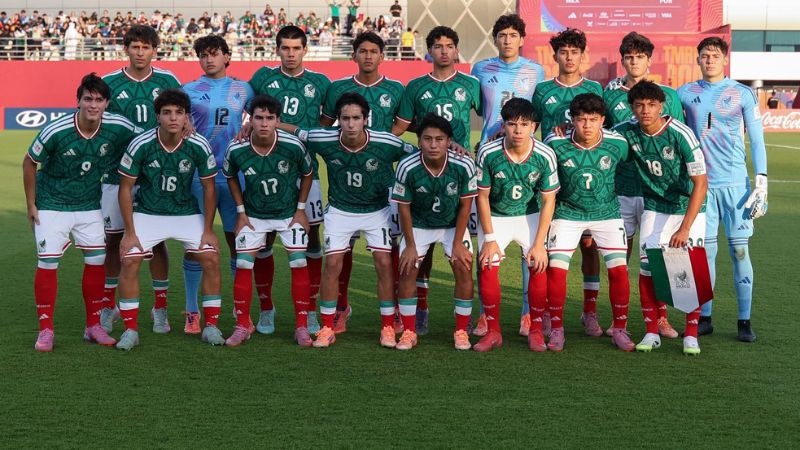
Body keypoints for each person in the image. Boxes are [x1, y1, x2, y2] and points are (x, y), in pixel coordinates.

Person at [284, 92, 416, 348]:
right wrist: (262, 125)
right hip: (340, 210)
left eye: (356, 118)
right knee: (332, 263)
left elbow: (420, 152)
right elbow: (298, 131)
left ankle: (388, 326)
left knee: (383, 264)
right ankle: (326, 326)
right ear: (339, 121)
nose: (351, 124)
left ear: (366, 119)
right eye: (345, 118)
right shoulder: (324, 138)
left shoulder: (387, 141)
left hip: (377, 210)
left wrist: (453, 147)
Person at [23, 73, 140, 352]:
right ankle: (46, 330)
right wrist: (31, 204)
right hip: (52, 204)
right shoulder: (57, 129)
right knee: (48, 263)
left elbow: (145, 141)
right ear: (78, 101)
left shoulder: (119, 126)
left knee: (97, 260)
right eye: (87, 99)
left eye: (99, 100)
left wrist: (185, 127)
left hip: (89, 205)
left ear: (106, 103)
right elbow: (30, 163)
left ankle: (93, 326)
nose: (93, 105)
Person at [115, 89, 223, 350]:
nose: (173, 118)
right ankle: (131, 330)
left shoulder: (198, 144)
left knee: (210, 257)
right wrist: (129, 232)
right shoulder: (141, 143)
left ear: (187, 117)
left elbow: (209, 188)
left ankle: (210, 326)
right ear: (158, 117)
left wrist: (208, 230)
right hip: (149, 212)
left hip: (185, 212)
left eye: (179, 112)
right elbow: (125, 188)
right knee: (130, 260)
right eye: (167, 113)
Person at [678, 37, 767, 342]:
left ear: (724, 59)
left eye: (715, 55)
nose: (710, 60)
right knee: (706, 255)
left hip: (736, 186)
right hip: (702, 187)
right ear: (698, 59)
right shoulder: (685, 94)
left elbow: (756, 139)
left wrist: (762, 180)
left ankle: (744, 320)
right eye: (704, 55)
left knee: (740, 250)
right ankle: (705, 317)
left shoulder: (742, 93)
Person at [393, 25, 481, 335]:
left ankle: (474, 316)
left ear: (457, 50)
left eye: (449, 45)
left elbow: (494, 116)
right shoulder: (415, 86)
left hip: (460, 171)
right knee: (423, 252)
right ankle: (422, 308)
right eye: (438, 46)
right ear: (429, 51)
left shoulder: (471, 84)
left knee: (468, 251)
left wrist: (480, 147)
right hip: (425, 166)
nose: (444, 51)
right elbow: (401, 126)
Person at [613, 80, 708, 355]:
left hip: (688, 207)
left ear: (661, 106)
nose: (645, 111)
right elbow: (599, 142)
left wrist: (685, 228)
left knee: (686, 269)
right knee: (648, 268)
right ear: (631, 107)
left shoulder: (681, 134)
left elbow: (701, 183)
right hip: (655, 206)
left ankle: (691, 335)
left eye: (652, 105)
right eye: (639, 105)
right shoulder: (627, 132)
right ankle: (652, 331)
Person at [248, 25, 331, 334]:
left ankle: (309, 310)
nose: (291, 53)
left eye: (297, 48)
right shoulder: (262, 78)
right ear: (278, 49)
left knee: (311, 237)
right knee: (264, 239)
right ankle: (266, 308)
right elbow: (251, 113)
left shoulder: (320, 82)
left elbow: (328, 120)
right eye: (285, 48)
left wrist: (302, 131)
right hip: (267, 171)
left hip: (306, 170)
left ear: (305, 50)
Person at [320, 32, 405, 334]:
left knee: (387, 255)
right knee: (340, 255)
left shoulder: (396, 88)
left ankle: (393, 314)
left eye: (374, 51)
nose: (368, 56)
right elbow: (321, 127)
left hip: (382, 185)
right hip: (345, 180)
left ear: (383, 55)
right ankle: (340, 309)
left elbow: (403, 126)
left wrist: (379, 147)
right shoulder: (338, 88)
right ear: (353, 55)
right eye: (362, 51)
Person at [100, 25, 181, 336]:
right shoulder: (110, 82)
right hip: (114, 175)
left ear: (154, 50)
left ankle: (159, 307)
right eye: (134, 47)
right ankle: (109, 307)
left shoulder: (167, 81)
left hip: (155, 175)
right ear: (126, 49)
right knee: (112, 240)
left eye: (145, 47)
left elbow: (181, 119)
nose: (139, 52)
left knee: (156, 241)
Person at [602, 31, 683, 339]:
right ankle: (618, 319)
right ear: (622, 60)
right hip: (621, 190)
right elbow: (603, 138)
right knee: (618, 257)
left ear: (650, 60)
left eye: (639, 56)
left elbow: (675, 139)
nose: (634, 61)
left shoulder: (668, 96)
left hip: (655, 193)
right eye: (629, 57)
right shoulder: (611, 95)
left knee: (656, 257)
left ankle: (661, 317)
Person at [471, 13, 545, 337]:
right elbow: (474, 109)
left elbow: (537, 112)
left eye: (513, 34)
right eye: (501, 34)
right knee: (486, 243)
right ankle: (487, 315)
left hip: (522, 155)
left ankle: (529, 314)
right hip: (489, 154)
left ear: (522, 38)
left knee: (529, 245)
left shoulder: (535, 70)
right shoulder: (480, 69)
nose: (507, 40)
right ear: (495, 38)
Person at [543, 93, 635, 352]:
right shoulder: (555, 142)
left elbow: (631, 164)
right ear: (571, 120)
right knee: (557, 270)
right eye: (581, 119)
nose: (587, 125)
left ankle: (619, 328)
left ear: (603, 120)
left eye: (593, 120)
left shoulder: (617, 143)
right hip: (567, 213)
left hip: (607, 214)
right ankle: (558, 329)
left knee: (619, 270)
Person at [223, 95, 315, 347]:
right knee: (243, 264)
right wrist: (241, 211)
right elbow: (230, 176)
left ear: (278, 120)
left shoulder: (293, 145)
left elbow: (308, 174)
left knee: (298, 263)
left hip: (288, 214)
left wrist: (300, 210)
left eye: (270, 118)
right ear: (250, 120)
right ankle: (242, 325)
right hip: (253, 216)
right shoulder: (237, 148)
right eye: (259, 118)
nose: (264, 123)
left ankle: (301, 327)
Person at [531, 27, 603, 338]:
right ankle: (547, 313)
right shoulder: (543, 90)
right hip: (550, 180)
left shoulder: (595, 89)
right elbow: (531, 130)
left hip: (585, 179)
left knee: (590, 246)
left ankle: (589, 312)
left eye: (575, 52)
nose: (569, 57)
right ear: (555, 56)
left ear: (582, 55)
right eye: (564, 52)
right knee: (547, 246)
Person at [473, 98, 559, 352]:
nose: (518, 130)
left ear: (533, 126)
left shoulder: (545, 154)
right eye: (512, 124)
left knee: (538, 264)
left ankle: (534, 330)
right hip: (496, 216)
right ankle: (493, 331)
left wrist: (540, 242)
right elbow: (482, 197)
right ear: (504, 126)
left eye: (524, 124)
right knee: (488, 265)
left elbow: (548, 200)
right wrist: (489, 238)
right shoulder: (488, 153)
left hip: (529, 216)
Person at [182, 34, 254, 334]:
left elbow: (260, 115)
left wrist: (250, 124)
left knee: (237, 243)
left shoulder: (244, 89)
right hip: (199, 176)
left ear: (227, 56)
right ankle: (192, 311)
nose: (208, 59)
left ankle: (241, 314)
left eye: (214, 54)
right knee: (195, 243)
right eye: (203, 55)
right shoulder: (188, 91)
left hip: (234, 175)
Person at [392, 114, 477, 350]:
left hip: (452, 226)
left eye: (439, 139)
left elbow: (465, 206)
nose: (433, 144)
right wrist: (409, 245)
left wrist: (458, 242)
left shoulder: (463, 164)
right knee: (407, 269)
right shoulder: (408, 167)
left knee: (463, 267)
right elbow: (404, 208)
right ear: (419, 141)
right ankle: (409, 331)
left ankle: (461, 330)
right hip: (419, 225)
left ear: (449, 141)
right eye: (427, 139)